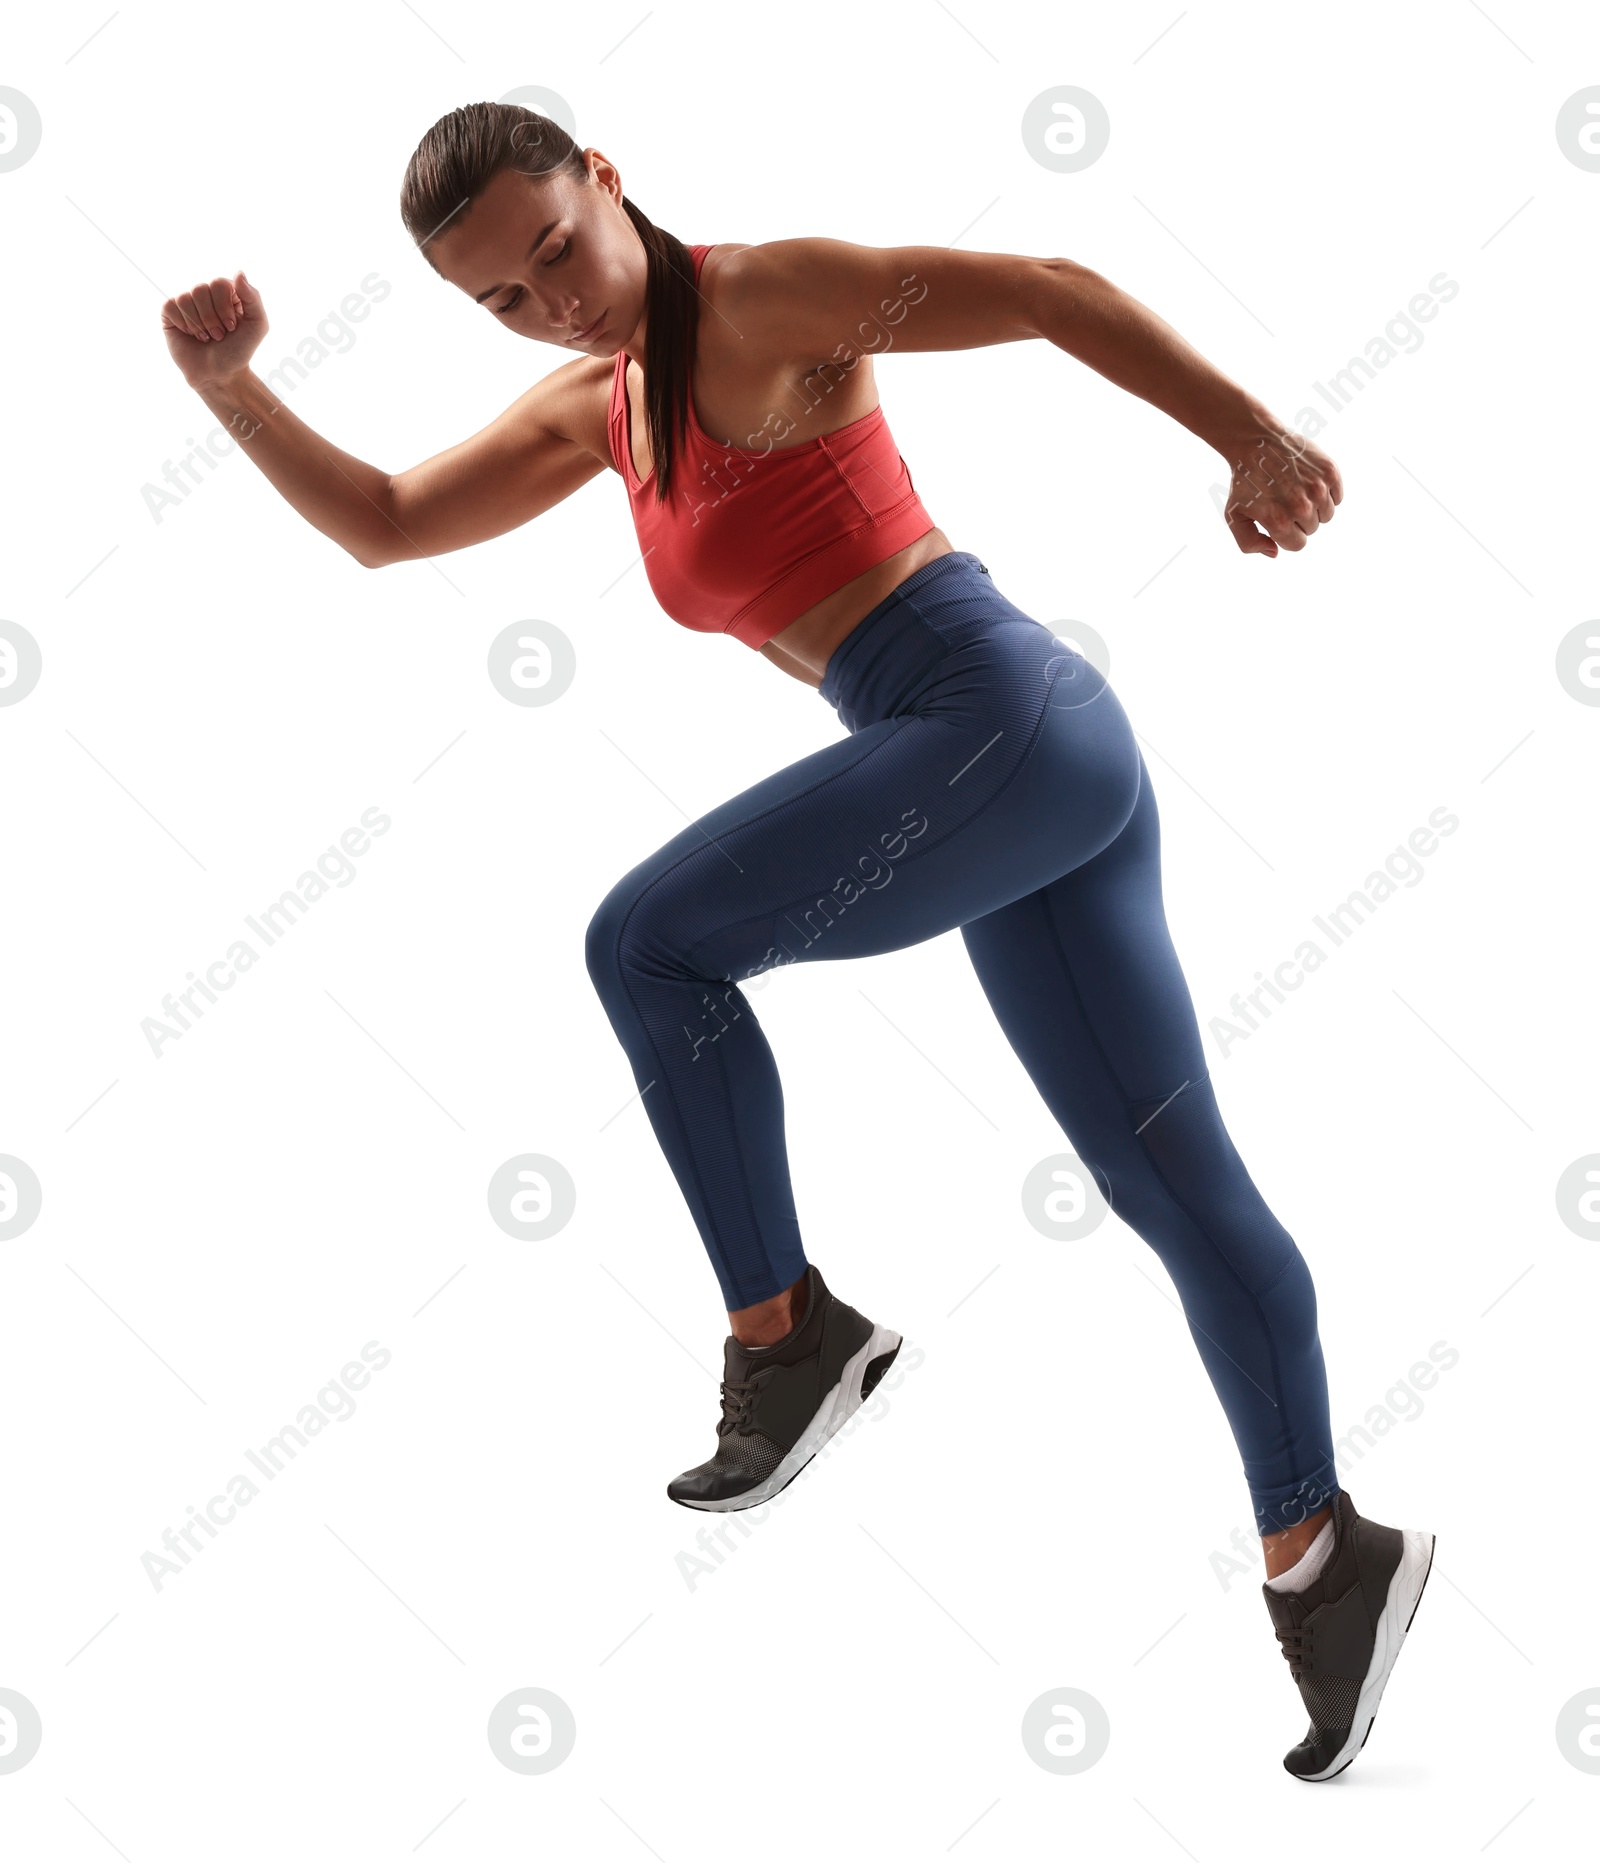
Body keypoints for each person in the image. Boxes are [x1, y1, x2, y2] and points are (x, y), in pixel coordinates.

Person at [159, 100, 1433, 1780]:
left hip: (992, 719)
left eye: (557, 249)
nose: (555, 302)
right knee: (1172, 1186)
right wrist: (235, 393)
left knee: (648, 945)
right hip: (998, 765)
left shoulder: (764, 303)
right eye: (505, 301)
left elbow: (1046, 287)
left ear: (606, 181)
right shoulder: (595, 409)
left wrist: (1251, 439)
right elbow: (391, 520)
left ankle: (791, 1339)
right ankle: (1329, 1555)